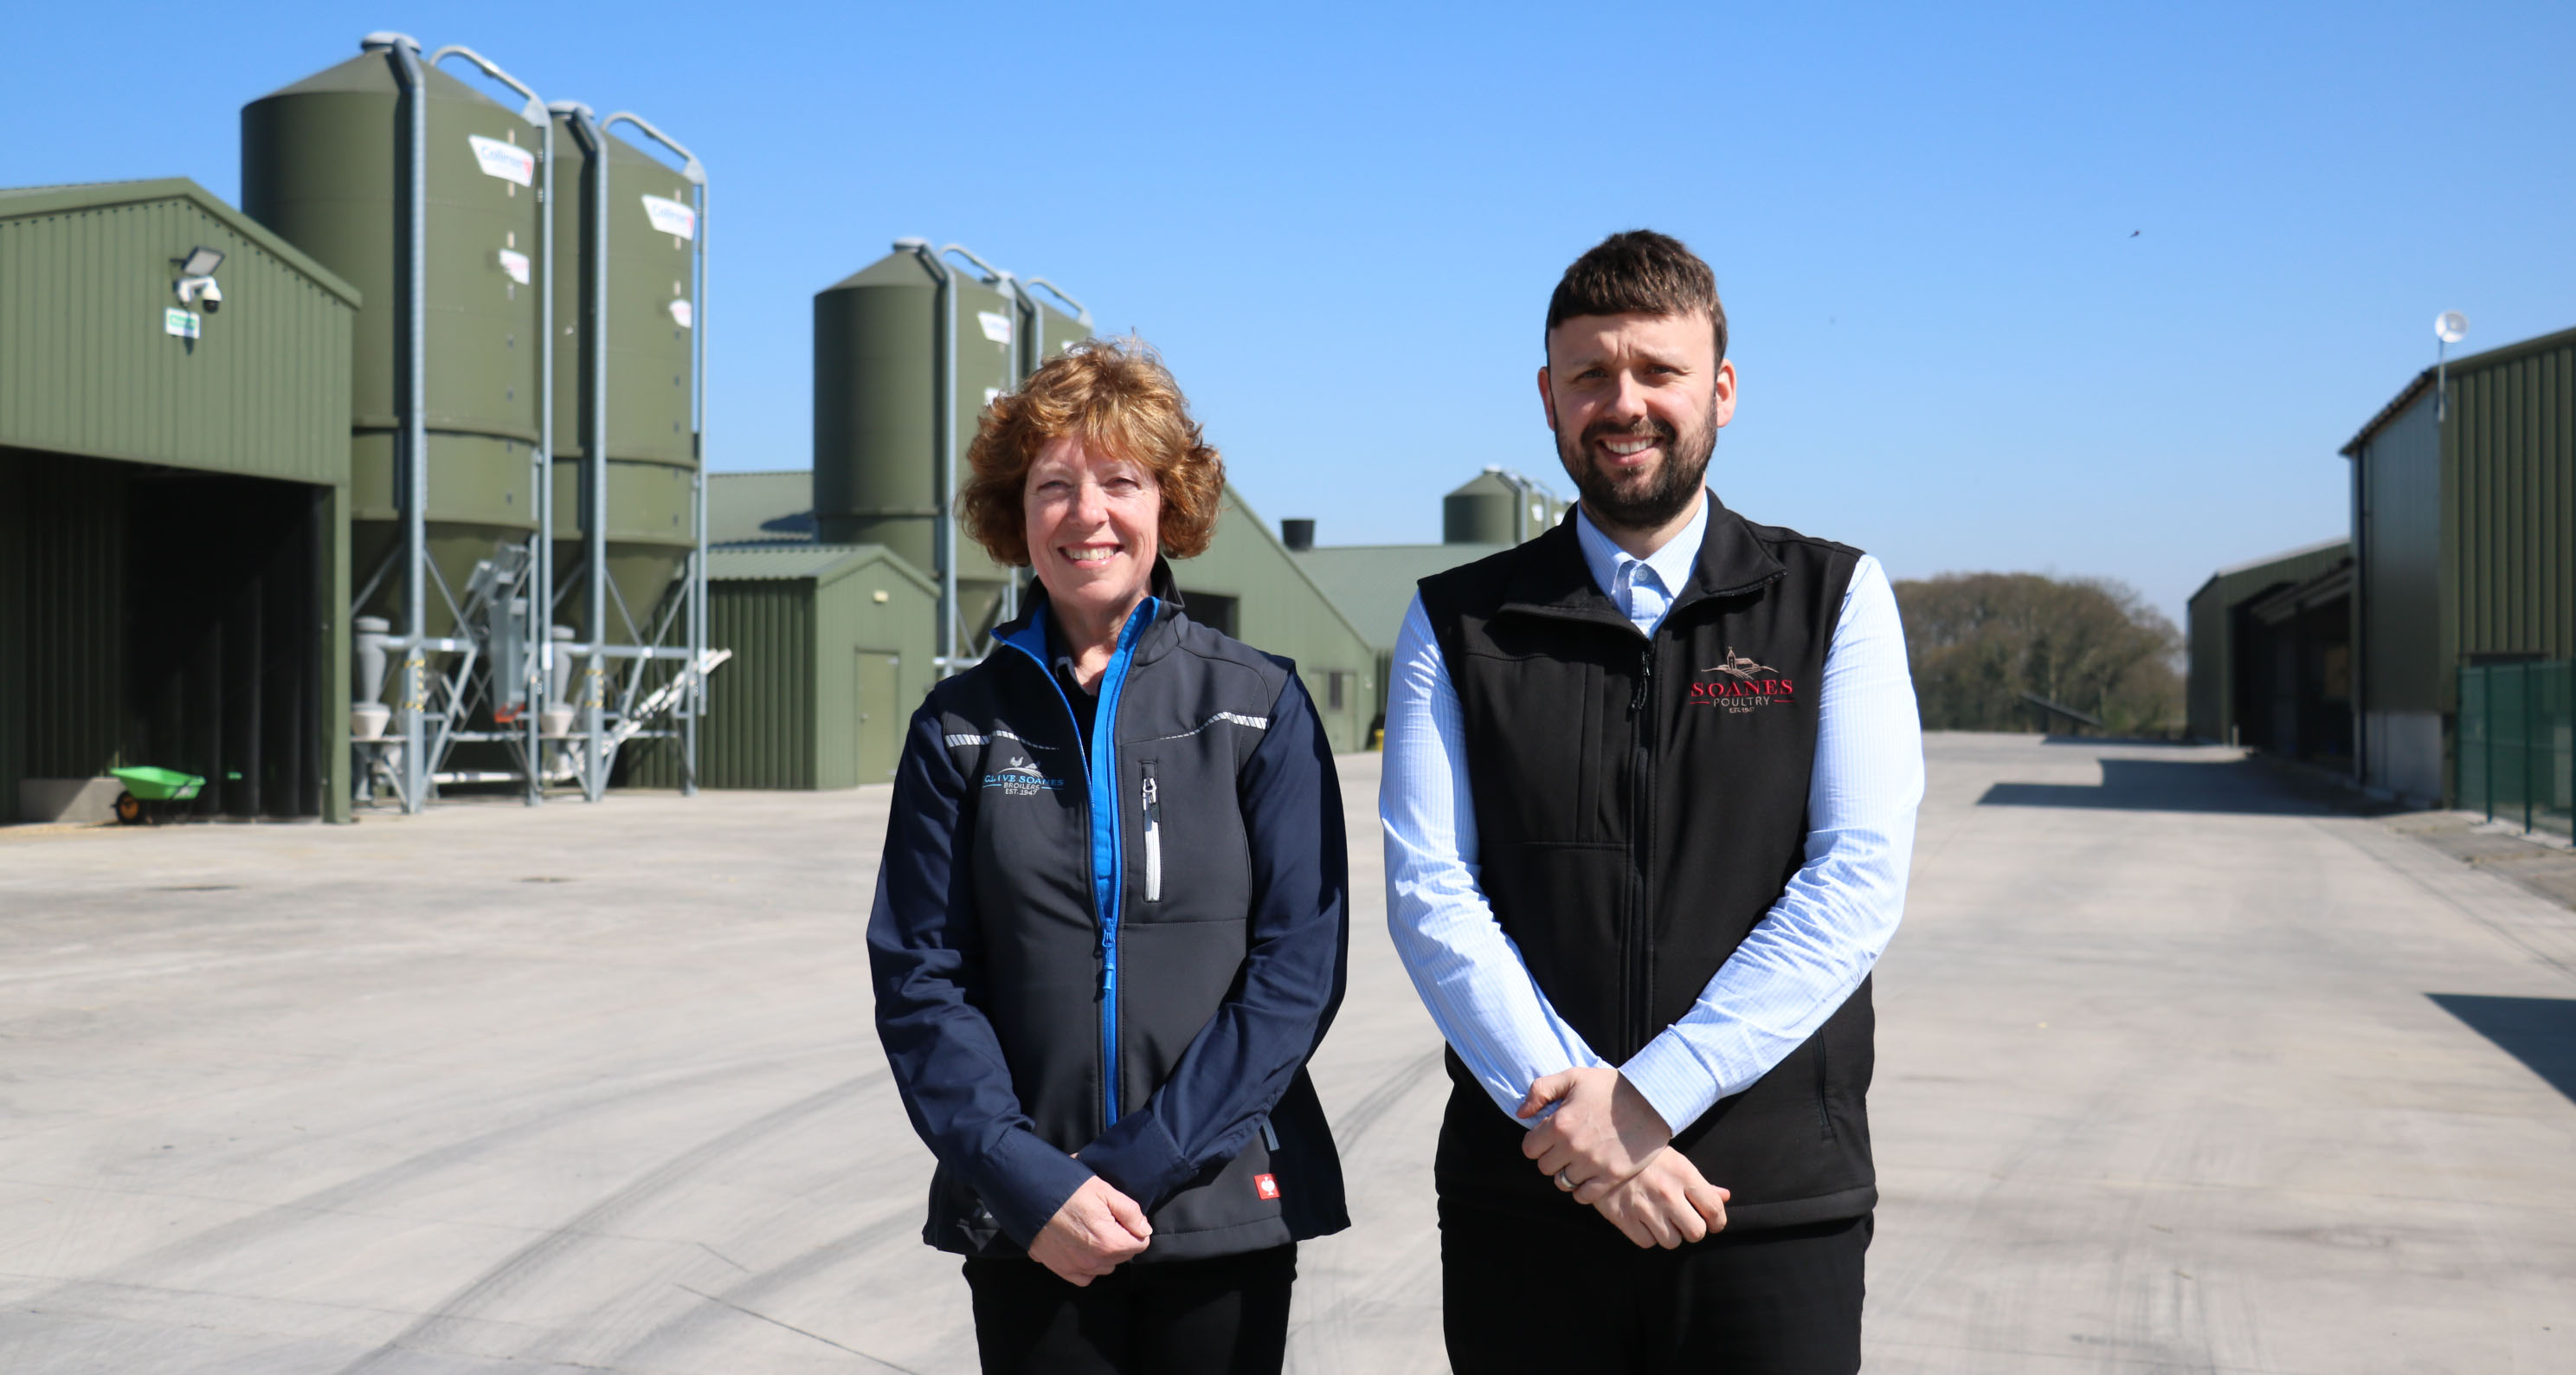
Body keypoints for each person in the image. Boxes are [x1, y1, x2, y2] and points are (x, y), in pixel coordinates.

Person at [1381, 229, 1924, 1373]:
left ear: (1721, 389)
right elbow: (1433, 894)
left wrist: (1650, 1100)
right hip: (1527, 1205)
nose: (1622, 403)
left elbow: (1855, 880)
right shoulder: (1459, 622)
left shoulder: (1833, 600)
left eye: (1657, 372)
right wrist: (1581, 1132)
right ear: (1548, 396)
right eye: (1589, 375)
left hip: (1767, 1202)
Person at [868, 339, 1350, 1375]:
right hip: (1029, 1221)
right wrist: (1031, 1180)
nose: (1087, 513)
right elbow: (919, 977)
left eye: (1120, 481)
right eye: (1054, 486)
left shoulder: (1258, 704)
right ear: (1018, 514)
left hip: (1218, 1207)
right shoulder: (957, 725)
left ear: (1168, 503)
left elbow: (1297, 972)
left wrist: (1135, 1165)